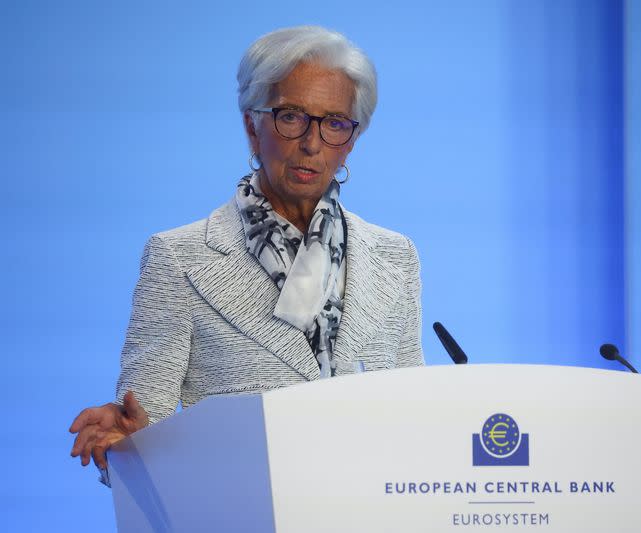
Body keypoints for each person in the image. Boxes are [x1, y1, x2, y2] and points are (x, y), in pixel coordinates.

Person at [69, 26, 424, 472]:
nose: (312, 144)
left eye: (334, 123)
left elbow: (415, 418)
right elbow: (142, 423)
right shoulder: (179, 258)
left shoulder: (395, 257)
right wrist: (127, 444)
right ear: (252, 127)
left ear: (351, 141)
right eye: (291, 116)